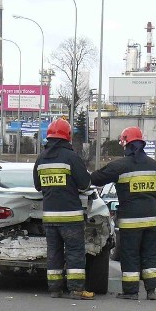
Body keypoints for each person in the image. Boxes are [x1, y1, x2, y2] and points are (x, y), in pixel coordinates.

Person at [91, 127, 156, 301]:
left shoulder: (120, 166)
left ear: (125, 143)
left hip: (130, 222)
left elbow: (96, 178)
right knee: (150, 255)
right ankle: (151, 290)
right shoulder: (154, 166)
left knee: (130, 254)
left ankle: (131, 291)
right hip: (151, 221)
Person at [33, 118, 93, 300]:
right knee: (74, 253)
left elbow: (37, 186)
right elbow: (85, 184)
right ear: (67, 136)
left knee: (54, 253)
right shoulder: (71, 158)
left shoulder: (41, 159)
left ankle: (55, 289)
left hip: (50, 218)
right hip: (71, 218)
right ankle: (76, 290)